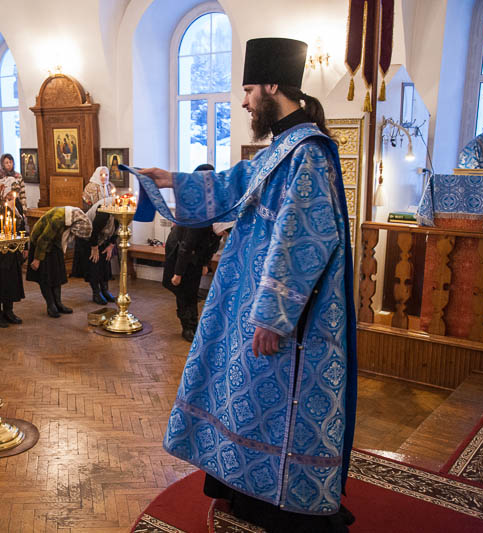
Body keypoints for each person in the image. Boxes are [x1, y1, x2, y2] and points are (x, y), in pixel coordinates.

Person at [137, 38, 356, 532]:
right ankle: (246, 488)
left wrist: (273, 318)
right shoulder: (283, 147)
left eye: (249, 90)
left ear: (272, 86)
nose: (244, 102)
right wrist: (171, 179)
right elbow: (234, 182)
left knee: (272, 402)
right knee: (246, 396)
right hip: (248, 303)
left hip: (285, 319)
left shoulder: (308, 153)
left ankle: (281, 502)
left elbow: (305, 238)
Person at [162, 165, 223, 341]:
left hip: (194, 252)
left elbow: (213, 242)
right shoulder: (197, 212)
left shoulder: (214, 208)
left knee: (192, 289)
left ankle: (194, 324)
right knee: (182, 289)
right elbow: (186, 246)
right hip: (179, 250)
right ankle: (187, 327)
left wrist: (204, 263)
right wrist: (178, 273)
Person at [27, 206, 92, 317]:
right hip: (40, 246)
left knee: (57, 276)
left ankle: (58, 303)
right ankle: (50, 305)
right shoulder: (58, 219)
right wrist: (37, 259)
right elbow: (43, 239)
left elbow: (61, 235)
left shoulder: (73, 216)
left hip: (54, 244)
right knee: (45, 277)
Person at [0, 200, 27, 328]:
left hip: (11, 251)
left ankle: (9, 311)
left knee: (11, 282)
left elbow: (21, 227)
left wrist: (25, 247)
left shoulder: (15, 206)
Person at [77, 199, 117, 305]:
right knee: (94, 263)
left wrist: (111, 245)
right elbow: (93, 231)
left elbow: (118, 229)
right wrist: (94, 248)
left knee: (105, 263)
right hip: (88, 236)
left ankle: (105, 291)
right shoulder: (104, 211)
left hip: (102, 237)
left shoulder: (121, 211)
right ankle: (96, 293)